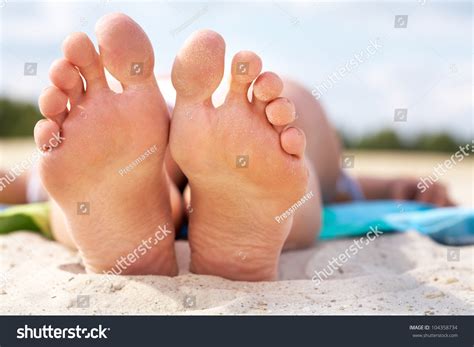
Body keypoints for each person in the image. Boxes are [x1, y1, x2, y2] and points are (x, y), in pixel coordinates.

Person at [0, 13, 454, 281]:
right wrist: (400, 185)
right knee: (296, 148)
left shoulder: (108, 112)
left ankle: (129, 197)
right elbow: (353, 186)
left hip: (133, 102)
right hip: (237, 111)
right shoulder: (273, 109)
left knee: (63, 171)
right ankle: (243, 204)